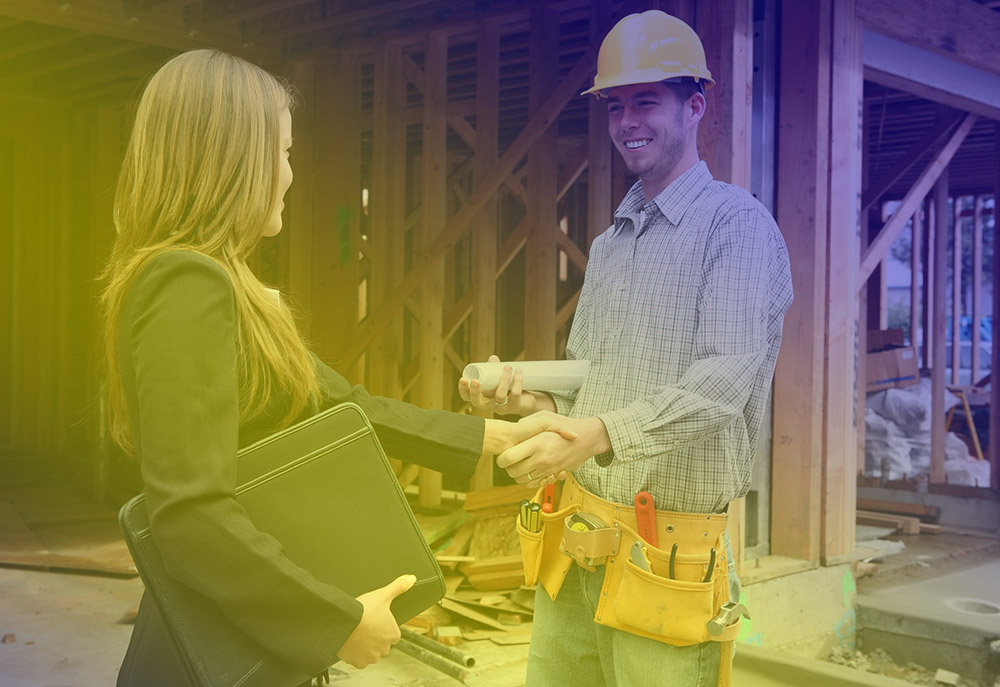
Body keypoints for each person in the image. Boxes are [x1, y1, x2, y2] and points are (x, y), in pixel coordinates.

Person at [103, 49, 567, 686]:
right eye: (285, 154)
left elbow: (347, 411)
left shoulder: (226, 284)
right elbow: (189, 516)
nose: (291, 177)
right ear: (233, 158)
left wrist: (493, 437)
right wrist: (336, 621)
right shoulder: (186, 283)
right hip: (213, 658)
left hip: (251, 640)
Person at [459, 11, 793, 687]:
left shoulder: (738, 226)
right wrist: (529, 394)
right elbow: (598, 381)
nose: (627, 121)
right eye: (616, 106)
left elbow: (722, 382)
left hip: (665, 561)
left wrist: (597, 433)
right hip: (576, 547)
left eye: (646, 101)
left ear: (694, 105)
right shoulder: (613, 243)